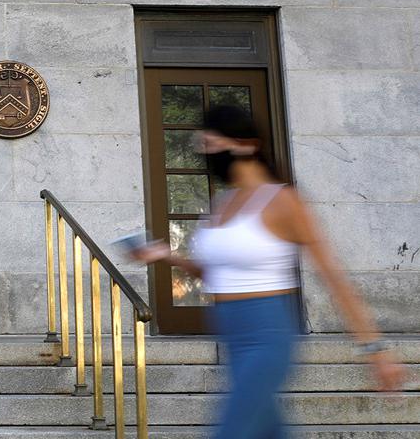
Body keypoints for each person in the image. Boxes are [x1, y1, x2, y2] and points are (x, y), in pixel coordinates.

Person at [132, 105, 405, 439]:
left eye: (211, 143)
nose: (206, 153)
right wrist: (164, 255)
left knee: (231, 431)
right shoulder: (223, 203)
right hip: (230, 333)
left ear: (245, 145)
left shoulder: (284, 202)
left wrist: (375, 351)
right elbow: (214, 272)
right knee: (266, 430)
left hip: (268, 334)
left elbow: (334, 279)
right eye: (202, 145)